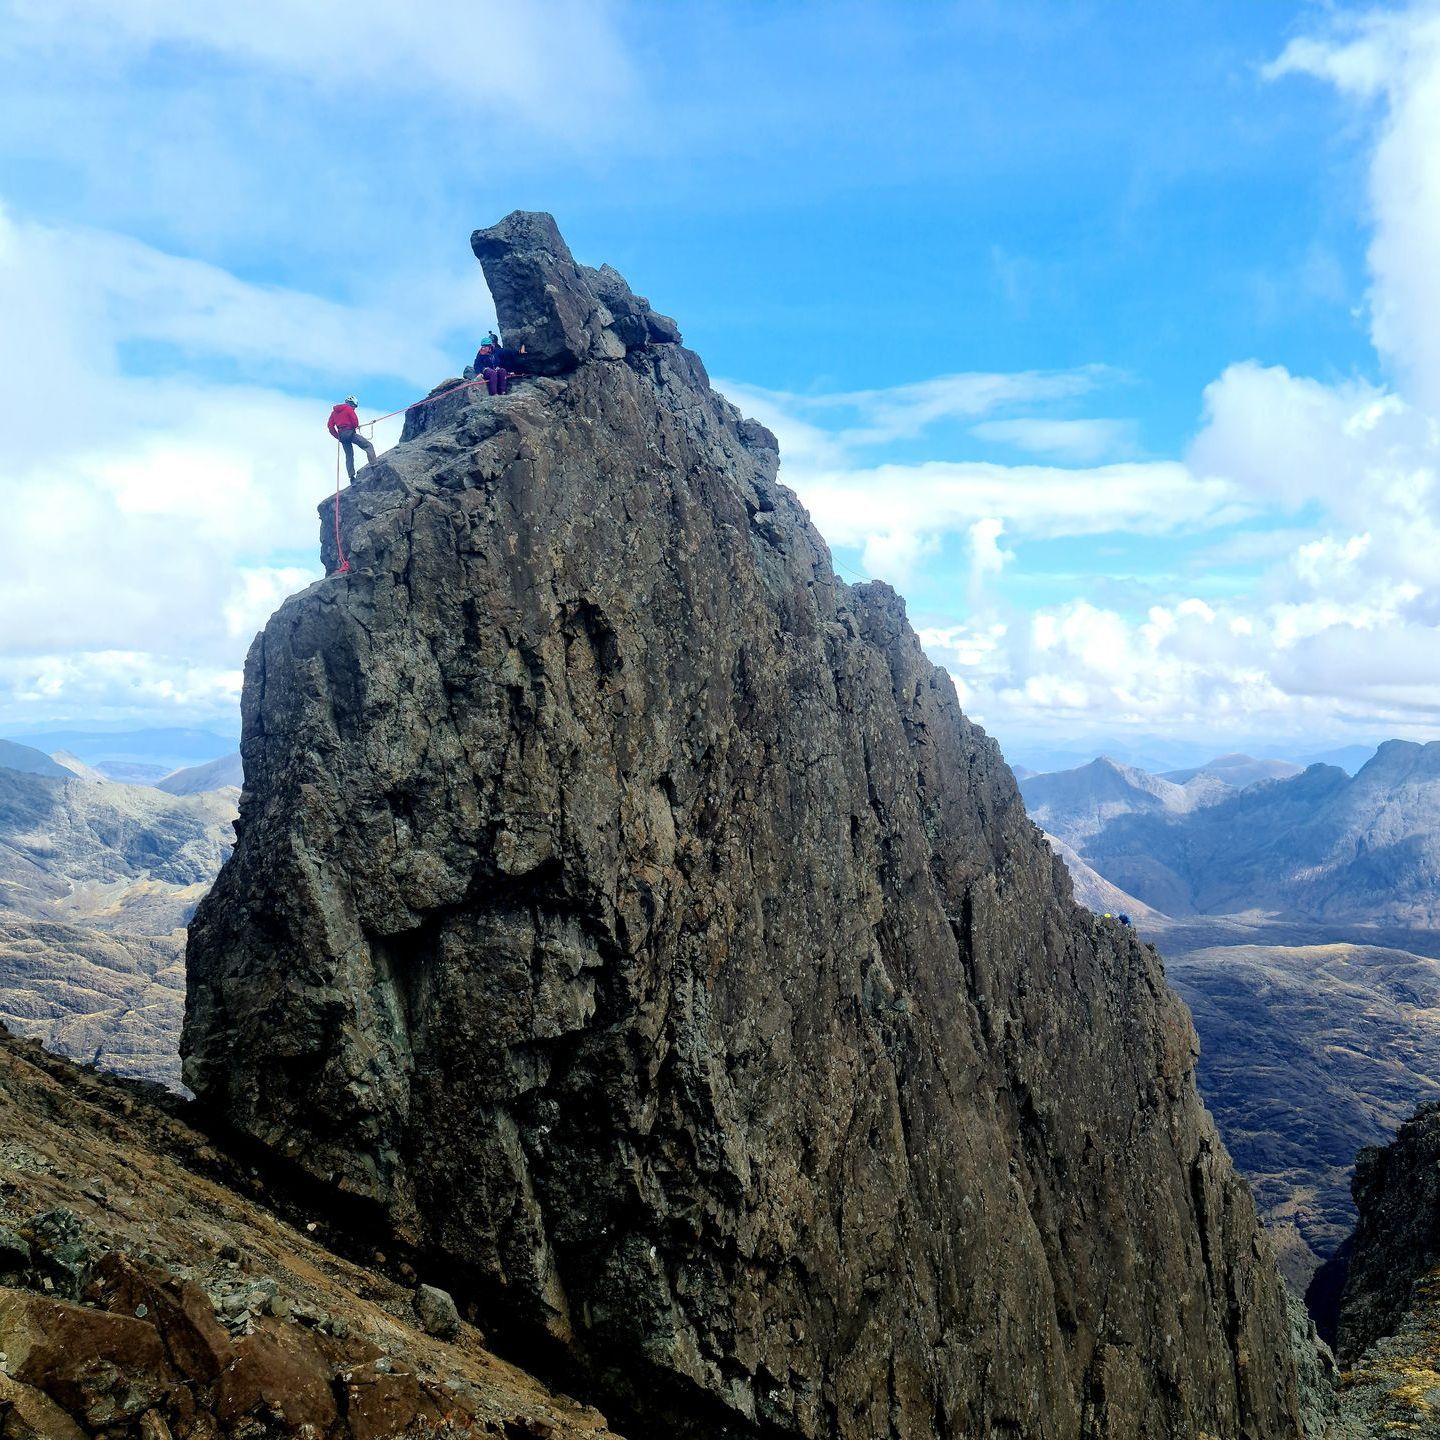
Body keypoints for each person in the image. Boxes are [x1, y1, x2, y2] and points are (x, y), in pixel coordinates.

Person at [327, 396, 376, 482]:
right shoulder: (349, 409)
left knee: (349, 456)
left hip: (342, 436)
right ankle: (374, 466)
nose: (354, 409)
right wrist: (353, 427)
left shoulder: (334, 412)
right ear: (352, 404)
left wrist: (337, 436)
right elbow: (355, 422)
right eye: (354, 406)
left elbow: (330, 426)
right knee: (368, 445)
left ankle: (352, 478)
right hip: (350, 433)